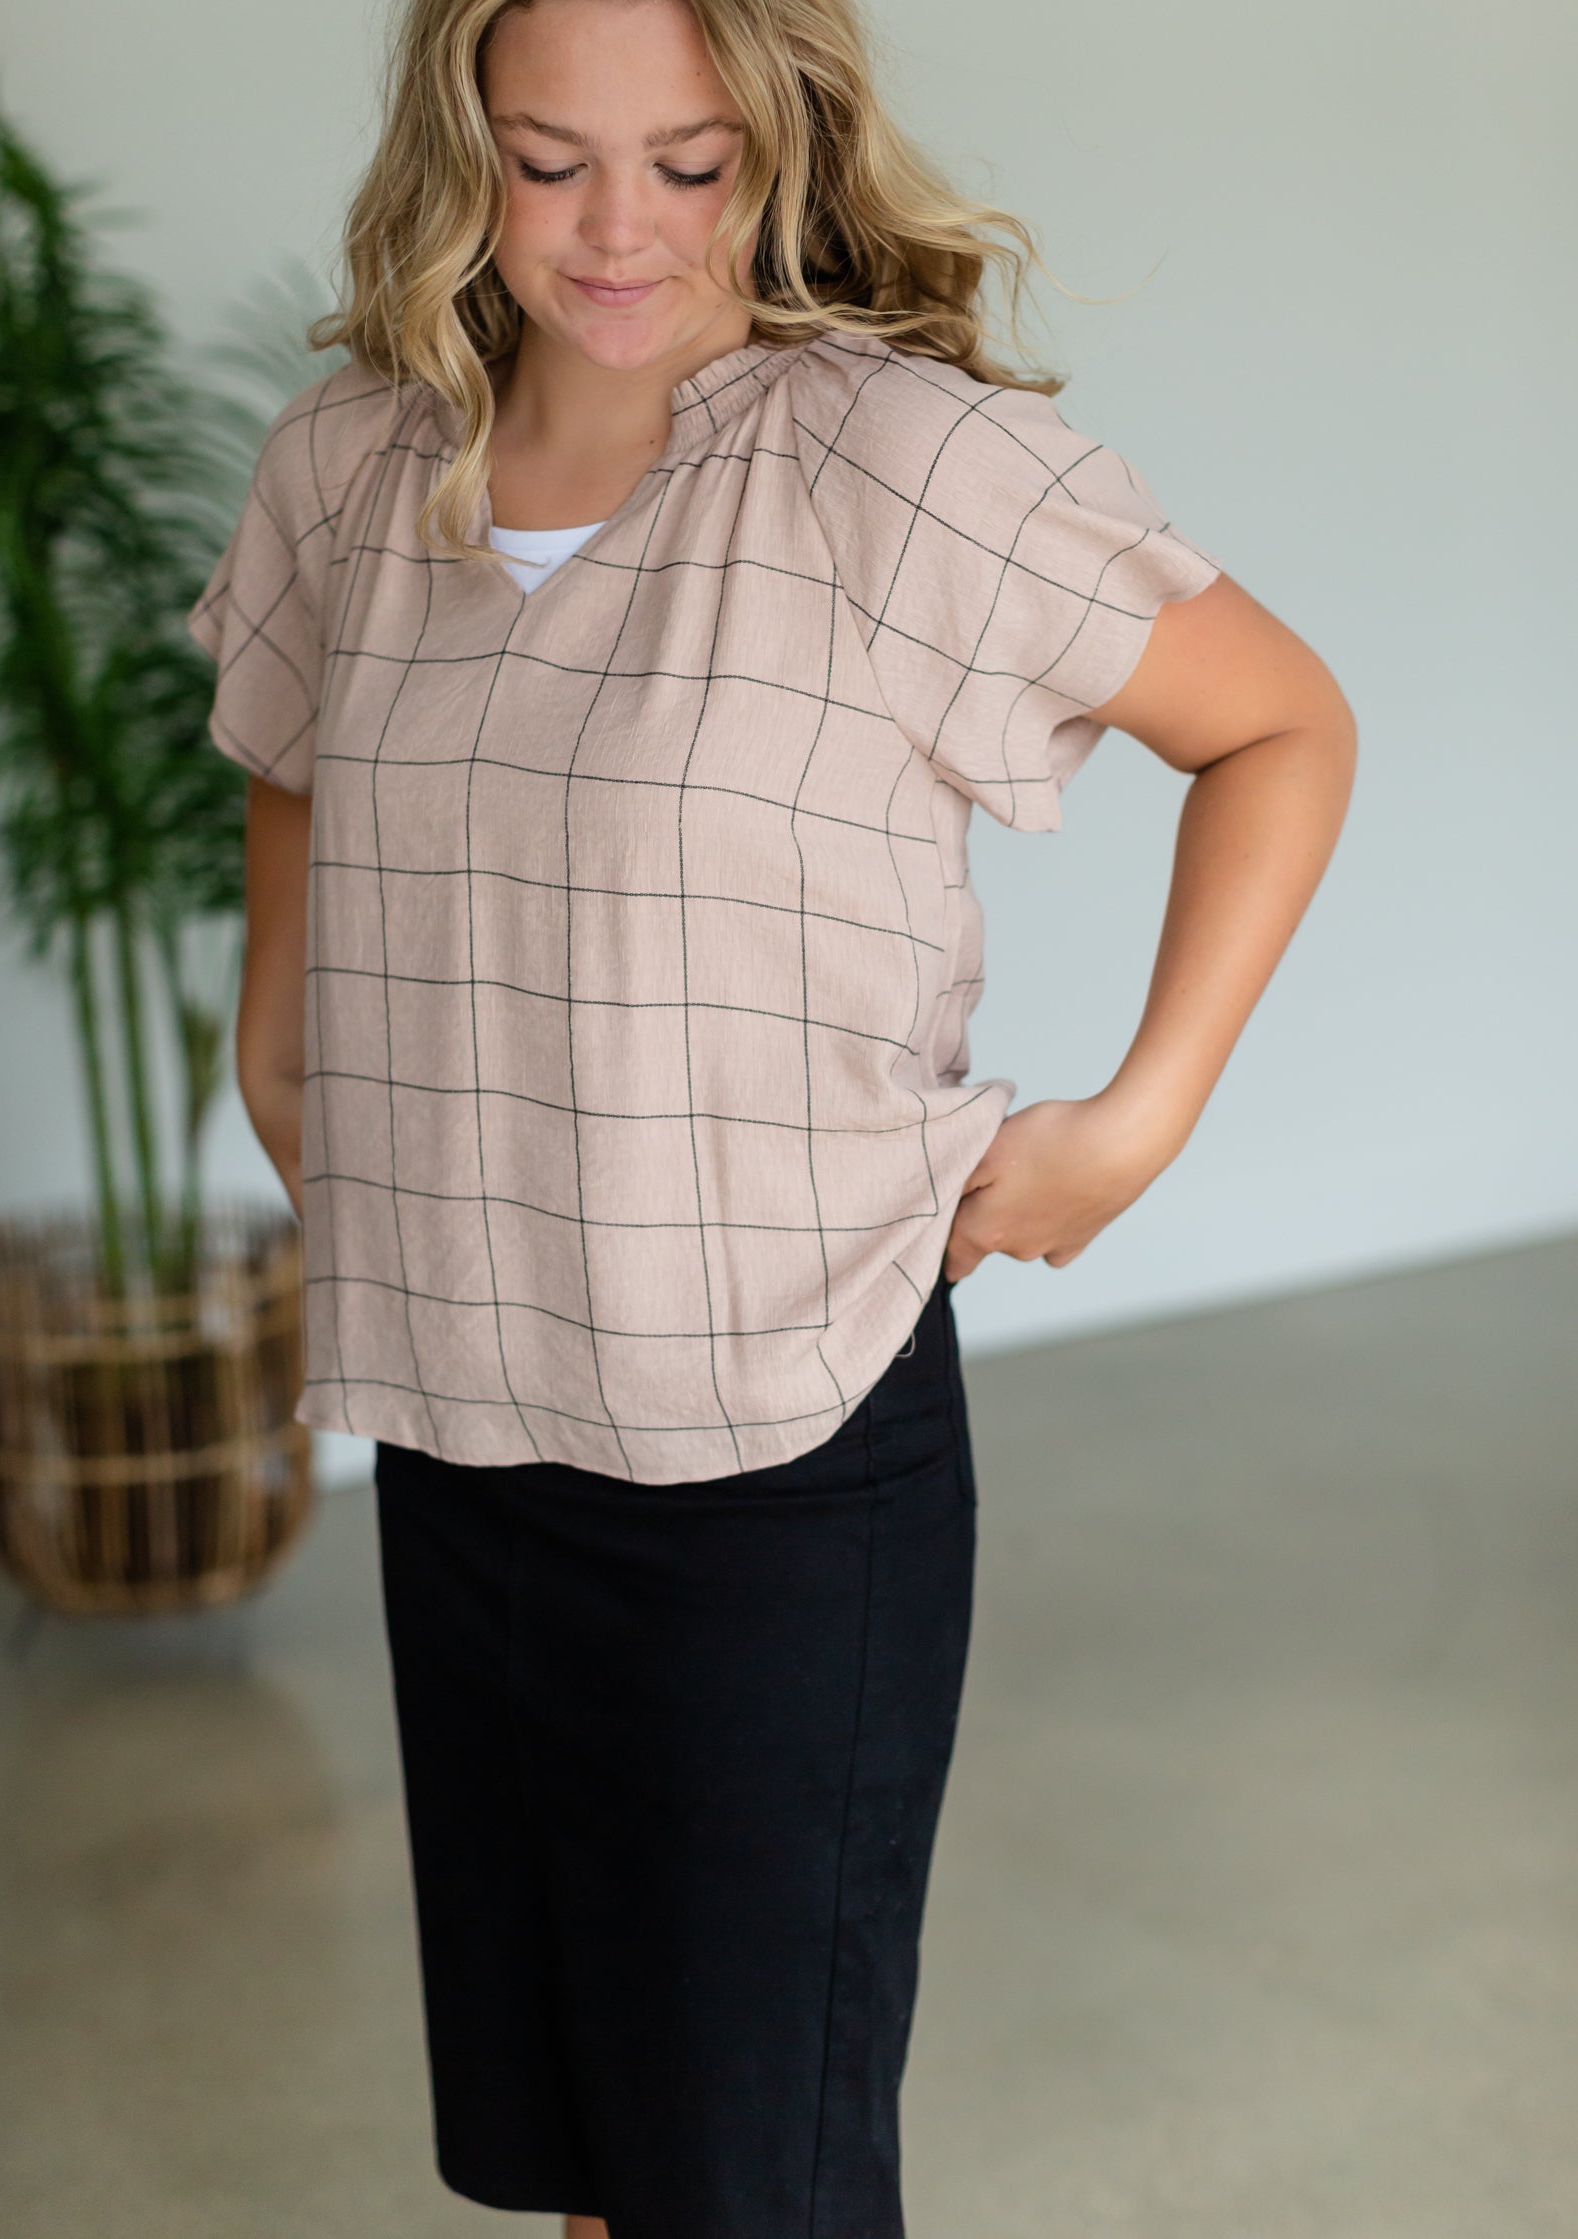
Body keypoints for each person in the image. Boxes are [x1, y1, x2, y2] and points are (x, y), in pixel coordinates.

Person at [188, 0, 1357, 2230]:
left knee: (751, 2182)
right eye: (547, 160)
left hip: (773, 1464)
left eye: (690, 162)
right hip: (457, 1438)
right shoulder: (348, 462)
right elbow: (295, 763)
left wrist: (1133, 1124)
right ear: (458, 149)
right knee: (580, 2154)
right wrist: (293, 1065)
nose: (616, 228)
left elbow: (1282, 726)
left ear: (785, 145)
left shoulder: (898, 464)